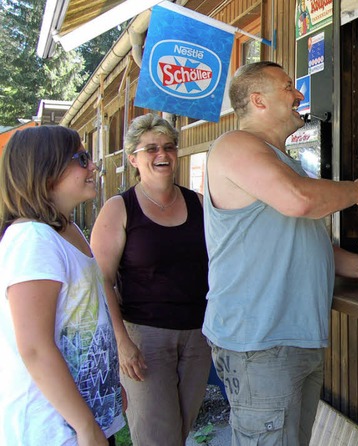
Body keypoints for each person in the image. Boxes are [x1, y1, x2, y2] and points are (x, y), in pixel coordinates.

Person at [204, 61, 358, 446]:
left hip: (292, 339)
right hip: (260, 341)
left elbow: (307, 243)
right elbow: (298, 201)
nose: (299, 95)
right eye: (288, 88)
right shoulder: (236, 145)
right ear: (258, 101)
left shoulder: (285, 163)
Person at [90, 114, 211, 445]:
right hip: (145, 339)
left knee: (180, 430)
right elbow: (102, 280)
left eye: (169, 146)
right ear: (133, 159)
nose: (163, 154)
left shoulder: (198, 204)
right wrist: (122, 342)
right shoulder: (120, 208)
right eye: (152, 148)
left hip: (198, 336)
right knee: (157, 437)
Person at [0, 126, 125, 445]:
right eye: (81, 159)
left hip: (82, 419)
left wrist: (108, 387)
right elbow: (35, 348)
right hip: (54, 430)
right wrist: (85, 426)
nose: (93, 166)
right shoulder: (33, 240)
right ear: (45, 169)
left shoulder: (66, 230)